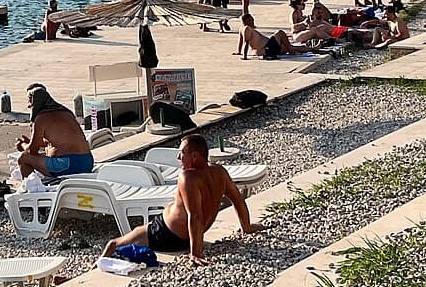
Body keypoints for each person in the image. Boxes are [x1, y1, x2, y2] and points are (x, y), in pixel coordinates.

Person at [101, 133, 255, 264]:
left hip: (165, 234)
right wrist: (247, 228)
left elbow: (194, 215)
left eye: (182, 153)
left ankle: (97, 266)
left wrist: (196, 254)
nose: (177, 157)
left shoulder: (188, 177)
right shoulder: (220, 172)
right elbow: (238, 199)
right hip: (185, 234)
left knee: (113, 244)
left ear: (194, 156)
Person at [15, 84, 94, 179]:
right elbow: (60, 141)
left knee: (24, 158)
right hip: (87, 161)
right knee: (47, 151)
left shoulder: (41, 118)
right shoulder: (67, 113)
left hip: (68, 165)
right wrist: (32, 142)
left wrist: (23, 145)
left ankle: (32, 188)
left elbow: (32, 151)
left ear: (32, 101)